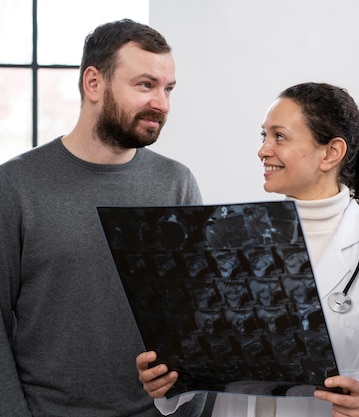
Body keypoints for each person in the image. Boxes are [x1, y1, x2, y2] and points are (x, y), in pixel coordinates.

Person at [137, 82, 359, 417]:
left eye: (279, 137)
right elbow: (207, 350)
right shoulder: (231, 236)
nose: (263, 150)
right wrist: (170, 380)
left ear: (330, 153)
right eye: (264, 136)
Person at [0, 19, 206, 417]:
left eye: (168, 89)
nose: (162, 103)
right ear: (93, 83)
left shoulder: (177, 184)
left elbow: (194, 318)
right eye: (145, 85)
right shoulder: (14, 185)